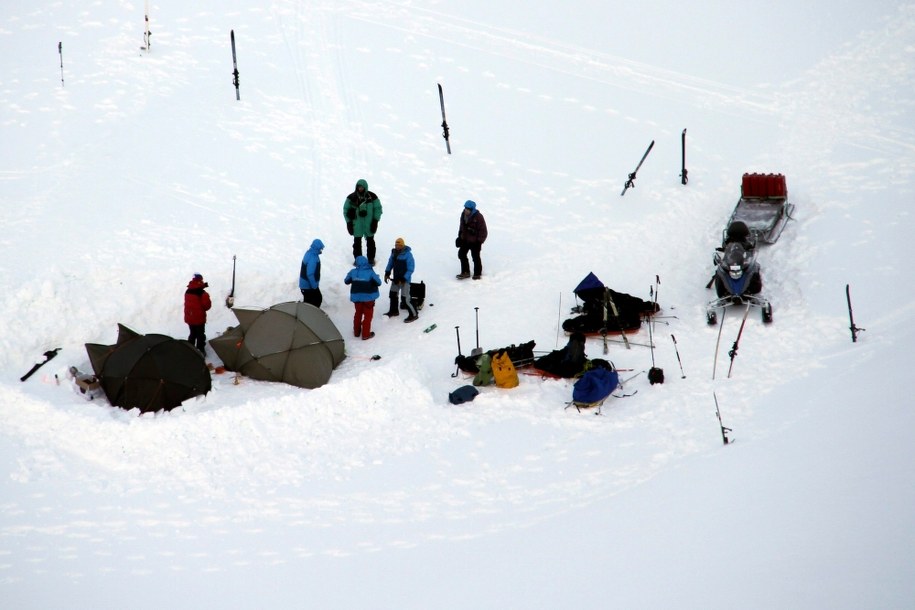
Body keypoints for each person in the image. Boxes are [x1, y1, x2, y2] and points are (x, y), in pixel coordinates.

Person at [343, 178, 383, 265]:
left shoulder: (372, 197)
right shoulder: (351, 197)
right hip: (356, 224)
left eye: (362, 187)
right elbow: (346, 210)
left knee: (370, 242)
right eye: (359, 187)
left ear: (365, 187)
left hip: (369, 224)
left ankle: (371, 259)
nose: (360, 189)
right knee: (357, 243)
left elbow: (378, 209)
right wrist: (349, 222)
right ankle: (358, 260)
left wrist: (375, 221)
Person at [344, 255, 382, 340]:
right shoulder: (370, 272)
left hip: (357, 298)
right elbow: (379, 282)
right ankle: (365, 334)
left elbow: (346, 281)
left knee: (358, 314)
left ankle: (356, 332)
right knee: (368, 316)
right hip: (369, 298)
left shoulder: (352, 272)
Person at [383, 237, 418, 323]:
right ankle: (394, 311)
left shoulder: (408, 254)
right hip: (396, 279)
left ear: (402, 245)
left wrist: (404, 278)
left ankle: (414, 314)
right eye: (396, 245)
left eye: (399, 245)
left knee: (405, 298)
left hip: (405, 280)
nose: (397, 246)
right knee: (392, 294)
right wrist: (387, 272)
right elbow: (390, 263)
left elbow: (411, 268)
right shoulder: (394, 253)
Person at [456, 199, 488, 280]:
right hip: (465, 240)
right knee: (461, 254)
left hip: (475, 241)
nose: (466, 210)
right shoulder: (463, 215)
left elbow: (483, 231)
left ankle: (477, 273)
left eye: (467, 209)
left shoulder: (479, 217)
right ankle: (465, 272)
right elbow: (461, 227)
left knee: (475, 257)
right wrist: (460, 237)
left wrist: (479, 241)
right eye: (465, 208)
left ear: (472, 209)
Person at [184, 273, 212, 355]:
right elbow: (207, 306)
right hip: (199, 318)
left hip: (189, 317)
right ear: (200, 280)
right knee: (200, 335)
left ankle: (189, 348)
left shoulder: (188, 290)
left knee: (192, 333)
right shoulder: (202, 293)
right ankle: (200, 350)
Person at [299, 238, 324, 308]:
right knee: (317, 300)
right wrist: (314, 286)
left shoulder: (309, 253)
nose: (321, 250)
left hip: (304, 285)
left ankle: (306, 316)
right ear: (317, 248)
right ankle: (311, 316)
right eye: (320, 249)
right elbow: (310, 274)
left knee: (308, 303)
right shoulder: (313, 257)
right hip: (308, 286)